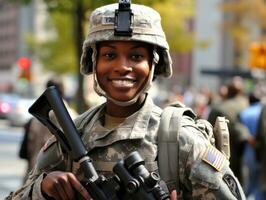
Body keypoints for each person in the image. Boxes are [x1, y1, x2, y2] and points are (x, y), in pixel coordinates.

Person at [6, 2, 246, 200]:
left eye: (136, 56)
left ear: (153, 64)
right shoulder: (71, 136)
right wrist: (42, 189)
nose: (122, 67)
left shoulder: (180, 140)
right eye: (110, 55)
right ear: (94, 62)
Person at [18, 77, 77, 184]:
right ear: (63, 91)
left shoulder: (36, 116)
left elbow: (26, 150)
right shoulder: (71, 116)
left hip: (34, 171)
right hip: (58, 176)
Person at [239, 92, 263, 199]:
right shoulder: (262, 112)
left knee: (249, 181)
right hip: (262, 152)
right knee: (260, 183)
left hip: (248, 152)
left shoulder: (244, 113)